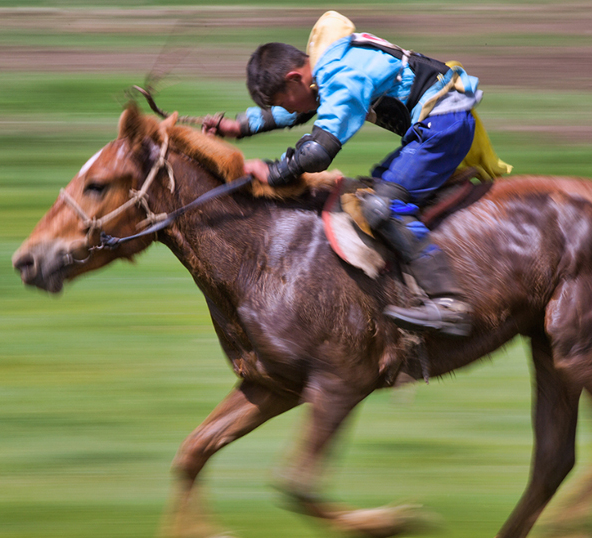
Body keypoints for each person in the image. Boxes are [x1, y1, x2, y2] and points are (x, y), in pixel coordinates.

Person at [202, 11, 510, 337]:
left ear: (295, 78)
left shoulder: (340, 73)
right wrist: (240, 125)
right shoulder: (325, 65)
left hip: (443, 126)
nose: (291, 110)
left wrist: (274, 171)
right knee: (374, 188)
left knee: (382, 206)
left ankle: (449, 303)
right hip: (438, 123)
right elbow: (302, 106)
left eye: (285, 101)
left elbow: (319, 151)